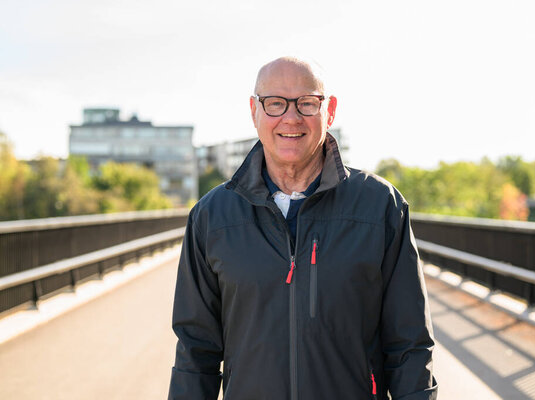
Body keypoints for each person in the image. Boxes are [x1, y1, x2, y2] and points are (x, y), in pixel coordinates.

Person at [168, 56, 437, 400]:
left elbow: (409, 344)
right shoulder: (212, 216)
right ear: (254, 112)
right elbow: (196, 351)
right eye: (275, 103)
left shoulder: (380, 205)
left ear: (330, 110)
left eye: (307, 103)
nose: (291, 118)